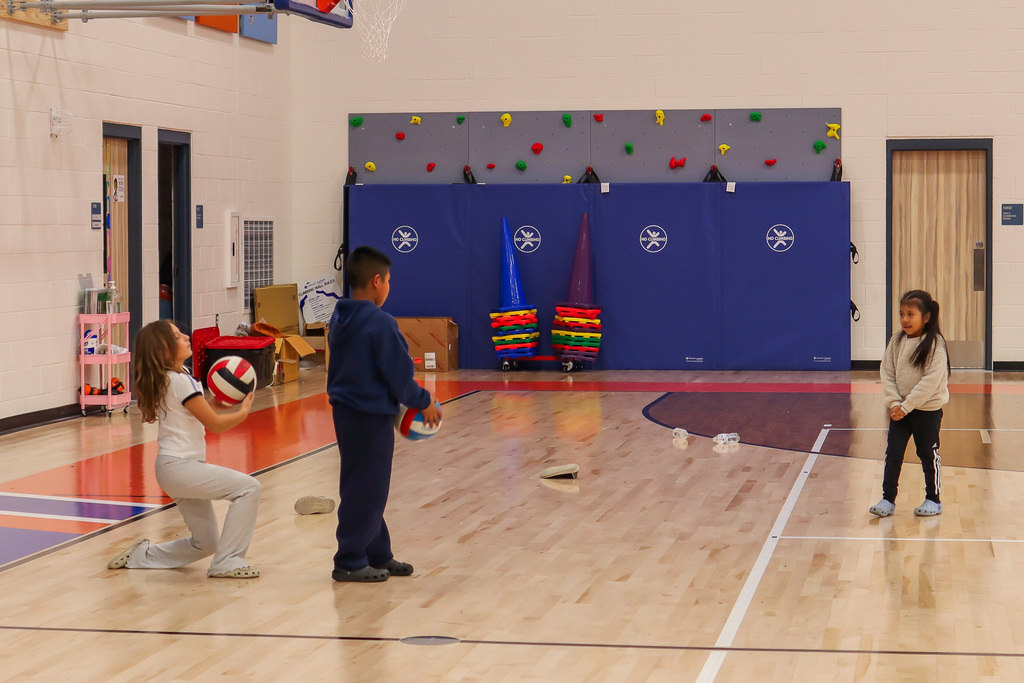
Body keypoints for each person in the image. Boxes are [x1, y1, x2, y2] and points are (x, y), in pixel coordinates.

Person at [107, 320, 262, 578]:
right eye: (178, 336)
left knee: (206, 542)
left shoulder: (173, 379)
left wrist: (213, 404)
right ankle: (229, 561)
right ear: (164, 351)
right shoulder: (182, 380)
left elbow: (194, 411)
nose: (187, 337)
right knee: (248, 488)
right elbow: (215, 425)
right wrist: (242, 412)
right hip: (182, 468)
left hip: (173, 469)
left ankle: (142, 556)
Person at [327, 246, 441, 582]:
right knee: (367, 488)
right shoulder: (381, 323)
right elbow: (398, 376)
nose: (389, 286)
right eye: (389, 280)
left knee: (364, 484)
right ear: (377, 281)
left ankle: (377, 553)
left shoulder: (339, 315)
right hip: (370, 416)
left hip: (347, 413)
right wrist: (424, 401)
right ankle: (349, 559)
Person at [869, 290, 949, 518]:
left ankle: (933, 499)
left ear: (926, 317)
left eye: (911, 314)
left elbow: (931, 381)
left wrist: (907, 405)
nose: (904, 319)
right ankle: (887, 499)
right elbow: (887, 372)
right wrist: (895, 402)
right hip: (899, 411)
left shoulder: (935, 344)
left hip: (926, 410)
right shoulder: (896, 341)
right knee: (893, 452)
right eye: (901, 314)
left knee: (928, 453)